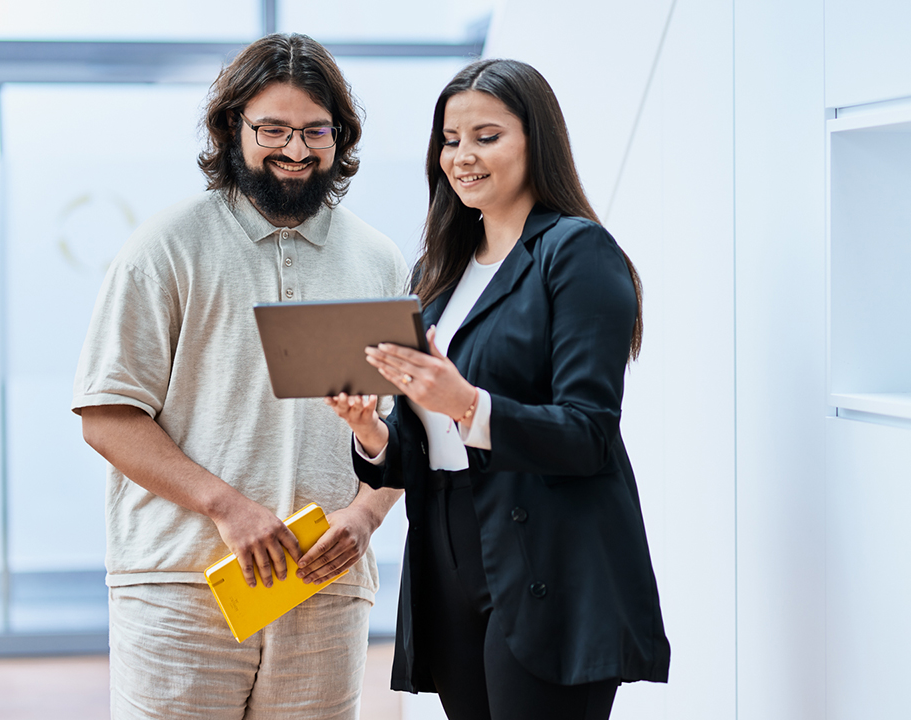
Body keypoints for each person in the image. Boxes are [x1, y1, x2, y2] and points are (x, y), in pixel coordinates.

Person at [71, 33, 409, 720]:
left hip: (326, 587)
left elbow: (411, 424)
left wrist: (367, 516)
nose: (296, 149)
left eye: (316, 130)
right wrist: (228, 507)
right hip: (179, 589)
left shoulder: (378, 259)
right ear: (233, 129)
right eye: (273, 129)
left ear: (340, 136)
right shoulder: (162, 249)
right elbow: (108, 417)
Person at [325, 58, 670, 720]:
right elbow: (427, 442)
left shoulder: (577, 253)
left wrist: (466, 403)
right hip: (449, 544)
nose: (462, 157)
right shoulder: (439, 269)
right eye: (450, 140)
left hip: (551, 553)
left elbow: (588, 433)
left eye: (487, 136)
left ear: (536, 141)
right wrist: (372, 434)